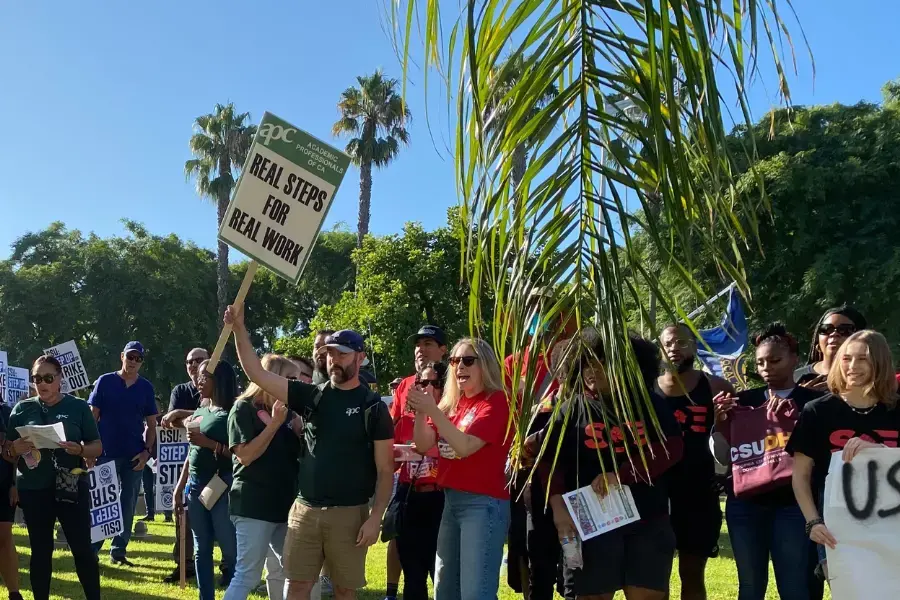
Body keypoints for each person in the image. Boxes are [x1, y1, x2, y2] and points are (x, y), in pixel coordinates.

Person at [225, 305, 394, 600]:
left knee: (344, 589)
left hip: (350, 513)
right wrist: (240, 329)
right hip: (305, 511)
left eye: (342, 353)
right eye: (330, 353)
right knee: (297, 586)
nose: (334, 360)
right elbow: (256, 373)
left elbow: (385, 470)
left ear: (361, 357)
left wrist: (375, 516)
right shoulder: (311, 395)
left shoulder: (374, 408)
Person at [530, 330, 684, 600]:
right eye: (585, 362)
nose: (591, 370)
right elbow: (551, 462)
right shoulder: (569, 409)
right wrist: (558, 509)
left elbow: (671, 448)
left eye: (600, 361)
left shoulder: (647, 403)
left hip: (648, 519)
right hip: (592, 523)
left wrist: (621, 475)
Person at [712, 323, 823, 600]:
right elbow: (723, 457)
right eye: (761, 362)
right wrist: (718, 424)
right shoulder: (742, 401)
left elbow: (823, 453)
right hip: (745, 505)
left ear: (794, 359)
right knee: (749, 586)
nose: (767, 368)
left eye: (775, 360)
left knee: (794, 585)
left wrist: (794, 418)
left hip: (793, 505)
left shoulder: (813, 402)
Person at [788, 330, 900, 584]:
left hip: (894, 527)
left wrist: (880, 452)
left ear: (880, 362)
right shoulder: (818, 411)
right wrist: (813, 522)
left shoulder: (897, 410)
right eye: (847, 358)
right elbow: (800, 475)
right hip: (838, 530)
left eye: (863, 359)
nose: (852, 366)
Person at [408, 338, 513, 600]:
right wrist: (423, 411)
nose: (459, 367)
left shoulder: (496, 401)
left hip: (484, 504)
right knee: (445, 590)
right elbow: (422, 444)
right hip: (451, 501)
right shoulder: (452, 404)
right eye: (454, 361)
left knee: (475, 592)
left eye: (468, 360)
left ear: (485, 364)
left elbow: (465, 446)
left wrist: (433, 409)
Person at [6, 355, 102, 600]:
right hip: (34, 489)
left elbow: (97, 446)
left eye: (48, 378)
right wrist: (14, 449)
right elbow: (7, 452)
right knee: (40, 551)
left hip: (70, 486)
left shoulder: (78, 407)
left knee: (82, 550)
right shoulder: (21, 409)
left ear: (60, 379)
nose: (42, 383)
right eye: (37, 379)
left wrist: (79, 449)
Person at [656, 324, 734, 600]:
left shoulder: (716, 387)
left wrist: (725, 475)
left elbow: (732, 441)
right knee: (656, 575)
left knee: (691, 573)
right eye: (668, 343)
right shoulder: (646, 388)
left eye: (681, 342)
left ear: (693, 346)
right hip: (655, 492)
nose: (674, 348)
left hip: (698, 491)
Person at [223, 354, 305, 600]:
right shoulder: (243, 408)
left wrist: (300, 432)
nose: (294, 385)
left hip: (285, 505)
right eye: (290, 379)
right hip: (253, 505)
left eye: (297, 380)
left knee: (298, 571)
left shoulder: (288, 413)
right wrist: (274, 425)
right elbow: (245, 456)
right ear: (271, 378)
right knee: (248, 575)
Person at [387, 325, 449, 600]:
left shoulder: (454, 387)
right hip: (409, 490)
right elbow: (392, 428)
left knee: (443, 572)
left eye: (428, 343)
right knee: (412, 572)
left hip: (442, 493)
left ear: (443, 350)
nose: (421, 349)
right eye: (418, 344)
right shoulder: (404, 385)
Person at [89, 341, 158, 565]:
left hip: (134, 454)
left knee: (127, 502)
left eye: (138, 359)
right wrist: (90, 448)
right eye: (130, 357)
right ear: (122, 356)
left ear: (142, 362)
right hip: (105, 451)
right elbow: (92, 418)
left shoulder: (146, 388)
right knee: (102, 502)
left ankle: (118, 551)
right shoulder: (105, 381)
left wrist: (147, 452)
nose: (133, 362)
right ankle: (92, 551)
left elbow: (151, 424)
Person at [174, 359, 239, 599]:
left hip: (222, 485)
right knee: (201, 550)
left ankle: (233, 593)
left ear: (219, 380)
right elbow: (191, 454)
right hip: (195, 486)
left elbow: (241, 453)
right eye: (199, 377)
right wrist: (179, 487)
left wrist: (210, 444)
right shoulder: (201, 410)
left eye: (205, 377)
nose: (199, 382)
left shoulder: (234, 411)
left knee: (229, 549)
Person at [161, 347, 209, 583]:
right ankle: (184, 563)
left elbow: (221, 413)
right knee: (183, 511)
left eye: (199, 360)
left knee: (220, 517)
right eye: (189, 361)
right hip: (182, 459)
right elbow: (169, 423)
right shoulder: (180, 390)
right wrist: (196, 417)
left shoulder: (219, 386)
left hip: (215, 461)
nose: (193, 365)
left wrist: (181, 413)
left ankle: (227, 566)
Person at [795, 307, 867, 387]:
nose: (834, 334)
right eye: (827, 329)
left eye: (845, 329)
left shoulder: (869, 378)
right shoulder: (794, 378)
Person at [0, 395, 21, 600]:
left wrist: (15, 484)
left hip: (4, 483)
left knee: (5, 538)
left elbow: (15, 452)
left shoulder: (8, 412)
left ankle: (14, 593)